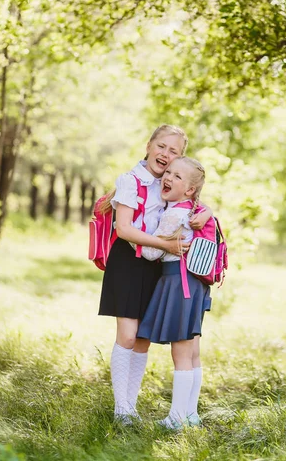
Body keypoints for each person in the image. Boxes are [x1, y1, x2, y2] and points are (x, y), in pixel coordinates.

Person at [98, 125, 211, 423]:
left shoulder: (169, 182)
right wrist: (166, 244)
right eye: (161, 146)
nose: (165, 154)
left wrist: (207, 210)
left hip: (156, 264)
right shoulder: (130, 181)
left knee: (142, 339)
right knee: (127, 334)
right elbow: (123, 229)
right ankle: (121, 408)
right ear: (149, 145)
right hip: (129, 260)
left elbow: (191, 201)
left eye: (174, 152)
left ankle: (131, 406)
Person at [137, 156, 211, 429]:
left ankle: (176, 418)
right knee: (192, 353)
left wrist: (143, 231)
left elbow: (150, 251)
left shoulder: (173, 215)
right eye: (168, 172)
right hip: (194, 284)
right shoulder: (195, 210)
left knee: (180, 354)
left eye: (177, 177)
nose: (168, 178)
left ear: (189, 190)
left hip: (177, 283)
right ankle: (190, 414)